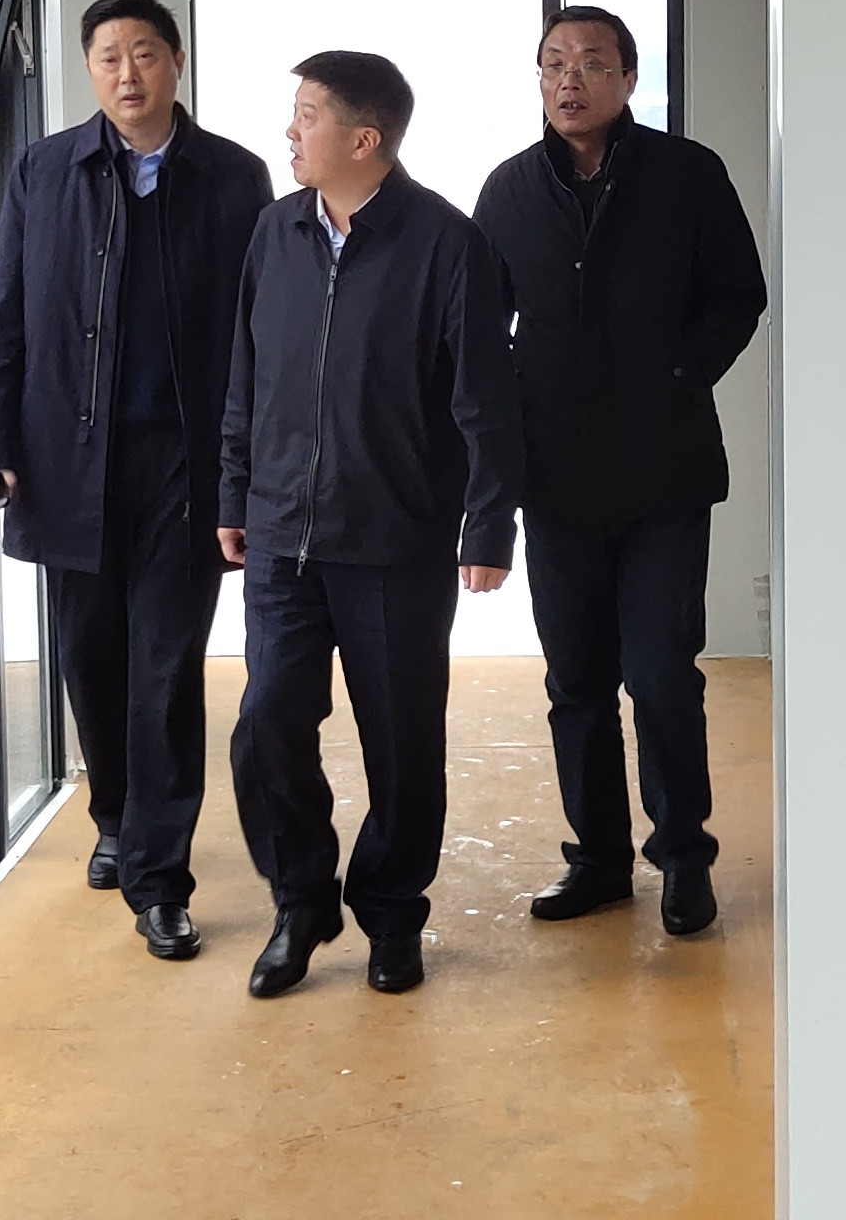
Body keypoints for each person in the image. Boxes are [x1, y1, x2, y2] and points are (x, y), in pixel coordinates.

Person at [0, 0, 271, 962]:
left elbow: (262, 328)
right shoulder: (45, 169)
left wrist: (255, 466)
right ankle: (115, 815)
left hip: (187, 462)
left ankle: (159, 877)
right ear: (89, 69)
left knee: (166, 669)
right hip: (72, 460)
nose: (127, 73)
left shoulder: (234, 176)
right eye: (108, 57)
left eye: (145, 53)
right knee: (91, 659)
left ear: (177, 61)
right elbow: (1, 314)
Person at [220, 51, 523, 998]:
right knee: (267, 722)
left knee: (401, 742)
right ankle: (300, 901)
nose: (290, 131)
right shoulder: (275, 232)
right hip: (281, 534)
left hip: (397, 540)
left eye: (308, 115)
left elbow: (485, 400)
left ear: (365, 138)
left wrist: (486, 528)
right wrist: (233, 496)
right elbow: (246, 375)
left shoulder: (447, 244)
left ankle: (392, 915)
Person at [471, 6, 766, 939]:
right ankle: (597, 860)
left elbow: (739, 293)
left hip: (664, 472)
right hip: (557, 480)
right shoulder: (509, 190)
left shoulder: (687, 175)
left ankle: (683, 858)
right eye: (553, 63)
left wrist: (680, 373)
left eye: (592, 63)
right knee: (577, 682)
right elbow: (478, 326)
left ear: (629, 79)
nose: (570, 79)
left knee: (663, 674)